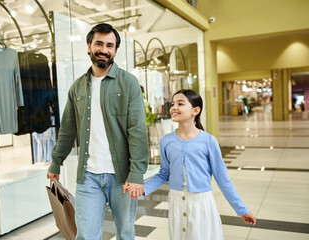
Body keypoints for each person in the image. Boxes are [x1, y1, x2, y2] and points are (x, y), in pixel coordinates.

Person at [47, 23, 148, 240]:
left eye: (110, 45)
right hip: (88, 176)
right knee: (86, 235)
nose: (104, 49)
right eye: (99, 43)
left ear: (115, 50)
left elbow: (137, 131)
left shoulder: (128, 83)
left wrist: (137, 173)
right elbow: (67, 129)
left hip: (122, 177)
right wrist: (57, 161)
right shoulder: (77, 87)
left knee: (125, 233)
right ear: (89, 46)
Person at [139, 89, 256, 240]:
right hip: (176, 203)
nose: (174, 107)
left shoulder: (208, 141)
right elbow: (164, 174)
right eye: (172, 104)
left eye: (180, 104)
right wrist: (141, 189)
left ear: (196, 110)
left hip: (201, 204)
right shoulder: (166, 141)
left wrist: (241, 210)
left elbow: (223, 179)